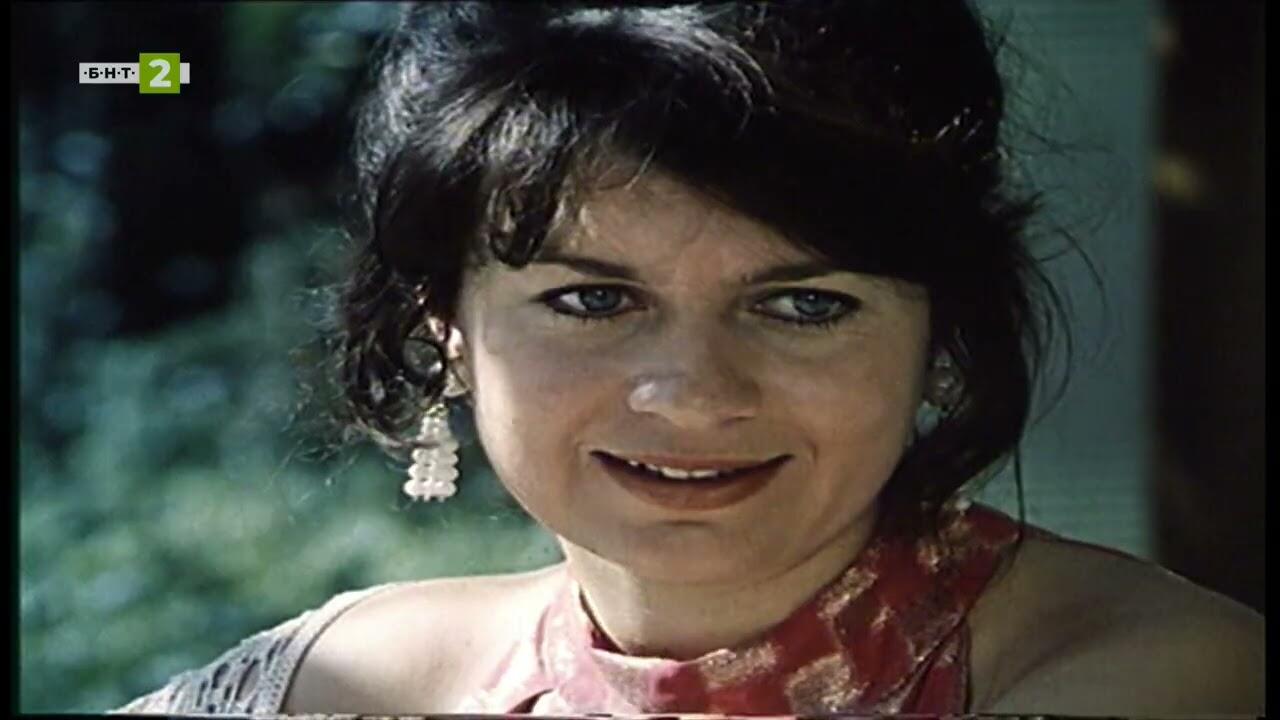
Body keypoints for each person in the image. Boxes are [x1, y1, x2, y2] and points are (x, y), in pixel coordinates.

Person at [114, 1, 1264, 715]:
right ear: (444, 330)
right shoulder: (343, 679)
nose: (692, 394)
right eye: (591, 299)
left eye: (804, 305)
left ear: (938, 335)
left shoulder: (1159, 673)